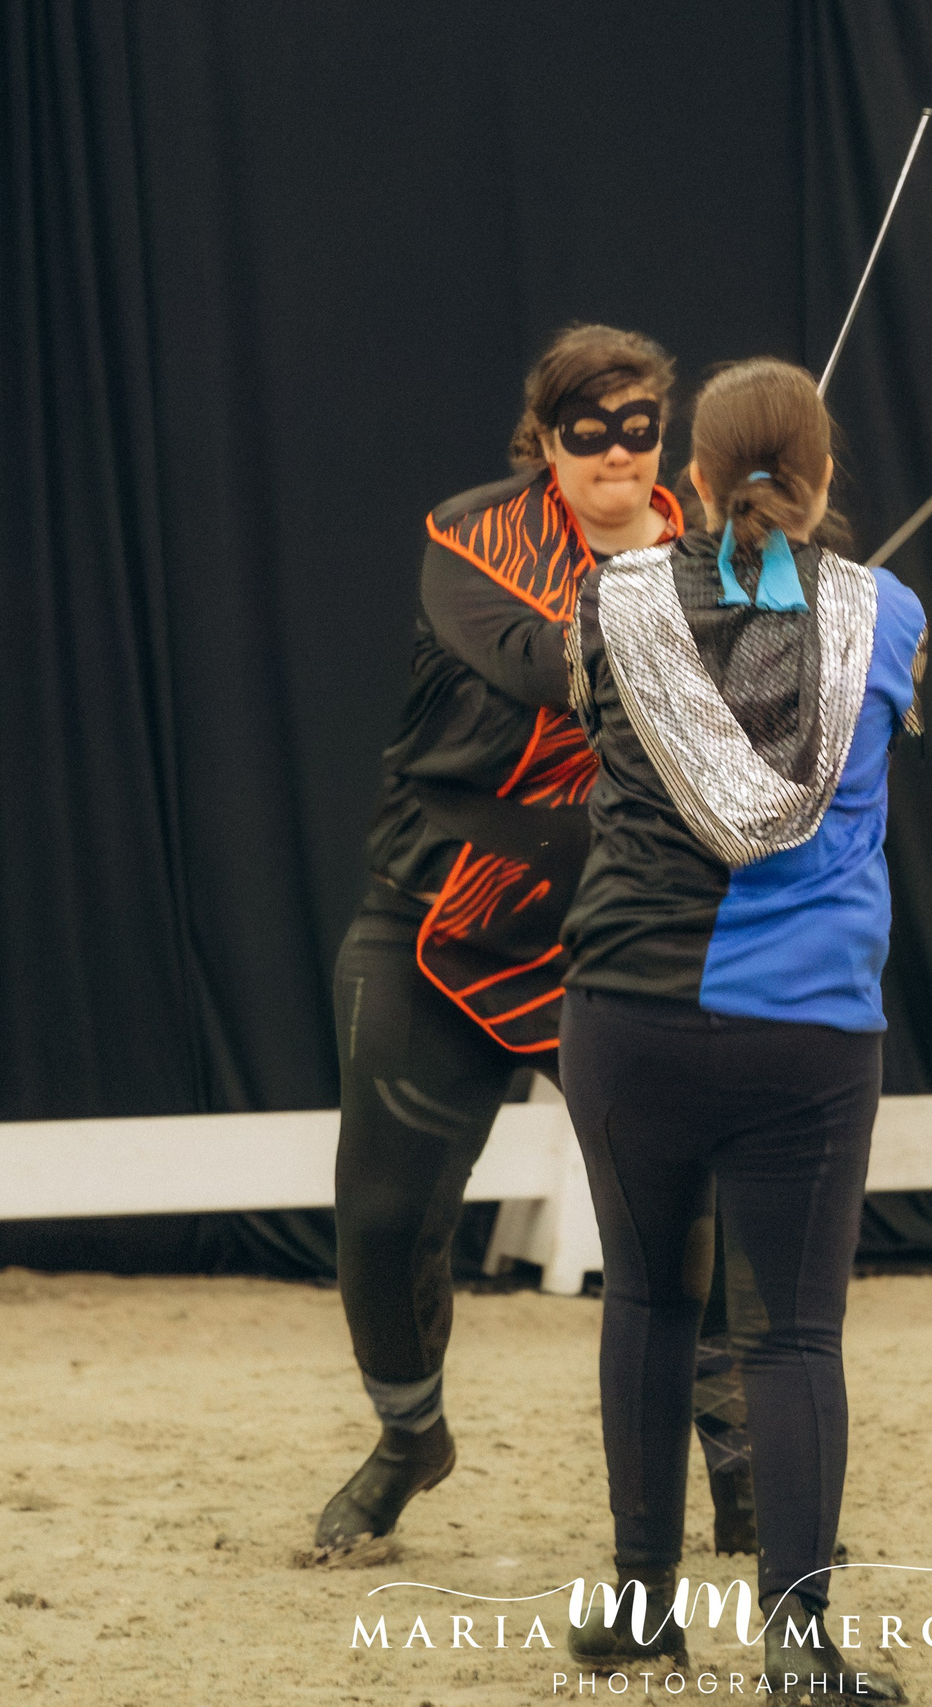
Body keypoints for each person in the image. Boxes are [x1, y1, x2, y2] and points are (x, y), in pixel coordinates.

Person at [316, 325, 760, 1555]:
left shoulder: (722, 559)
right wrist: (698, 634)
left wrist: (799, 640)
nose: (616, 452)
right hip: (439, 916)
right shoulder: (474, 542)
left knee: (684, 1203)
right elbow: (536, 663)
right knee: (383, 1218)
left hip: (624, 931)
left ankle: (740, 1464)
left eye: (638, 429)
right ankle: (409, 1438)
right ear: (545, 439)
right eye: (588, 430)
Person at [558, 358, 926, 1700]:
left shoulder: (606, 601)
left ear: (694, 480)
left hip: (629, 1019)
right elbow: (821, 676)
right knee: (792, 1334)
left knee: (650, 1300)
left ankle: (641, 1613)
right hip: (806, 1030)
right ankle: (798, 1643)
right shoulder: (889, 615)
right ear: (826, 480)